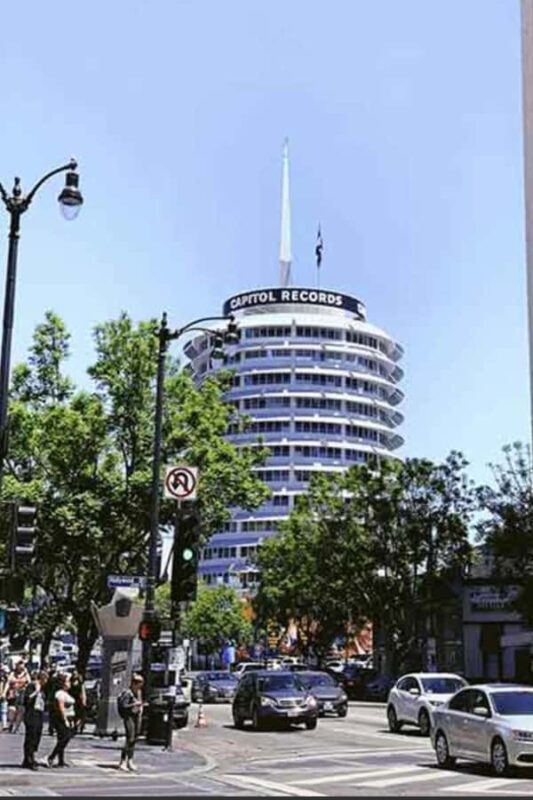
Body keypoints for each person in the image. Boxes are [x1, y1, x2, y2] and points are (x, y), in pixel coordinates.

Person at [47, 674, 75, 768]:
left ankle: (61, 761)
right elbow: (61, 707)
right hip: (61, 719)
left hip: (69, 718)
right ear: (63, 683)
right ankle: (52, 756)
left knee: (62, 739)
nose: (69, 683)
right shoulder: (59, 693)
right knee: (64, 738)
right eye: (68, 681)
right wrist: (65, 719)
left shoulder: (65, 693)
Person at [117, 674, 144, 772]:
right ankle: (122, 761)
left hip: (136, 716)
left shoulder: (138, 692)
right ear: (133, 683)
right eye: (138, 683)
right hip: (129, 717)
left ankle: (130, 760)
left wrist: (140, 707)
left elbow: (140, 702)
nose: (139, 686)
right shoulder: (127, 693)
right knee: (130, 738)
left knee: (134, 739)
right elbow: (124, 706)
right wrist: (134, 704)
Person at [22, 671, 48, 769]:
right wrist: (36, 692)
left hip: (39, 714)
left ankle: (29, 758)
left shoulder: (42, 689)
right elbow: (27, 700)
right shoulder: (32, 686)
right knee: (31, 737)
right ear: (42, 679)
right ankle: (29, 759)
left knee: (37, 736)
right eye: (45, 679)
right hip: (31, 714)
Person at [7, 661, 30, 733]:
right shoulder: (12, 674)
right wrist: (4, 692)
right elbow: (8, 683)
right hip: (13, 693)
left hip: (22, 694)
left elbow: (29, 682)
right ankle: (11, 723)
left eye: (22, 667)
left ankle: (16, 727)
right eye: (19, 667)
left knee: (20, 710)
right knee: (12, 710)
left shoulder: (26, 674)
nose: (21, 668)